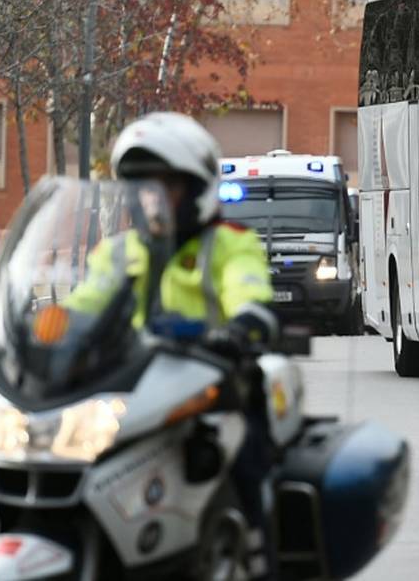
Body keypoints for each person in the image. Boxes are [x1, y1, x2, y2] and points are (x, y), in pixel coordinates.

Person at [95, 112, 279, 578]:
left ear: (195, 190)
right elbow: (83, 305)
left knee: (245, 454)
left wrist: (239, 328)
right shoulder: (118, 251)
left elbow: (250, 293)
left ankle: (258, 553)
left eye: (164, 188)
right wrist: (44, 330)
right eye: (140, 189)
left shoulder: (230, 244)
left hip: (213, 385)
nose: (150, 200)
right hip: (133, 389)